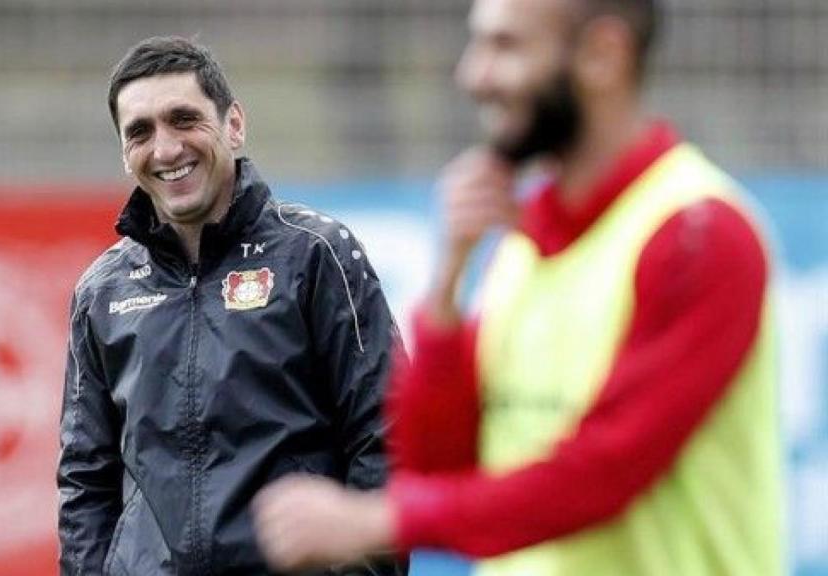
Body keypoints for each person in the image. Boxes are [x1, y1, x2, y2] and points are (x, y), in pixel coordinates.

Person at [253, 0, 784, 574]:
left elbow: (603, 473)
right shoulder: (520, 240)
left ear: (604, 54)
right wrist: (448, 284)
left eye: (505, 46)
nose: (472, 75)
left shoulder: (700, 232)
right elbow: (440, 467)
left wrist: (380, 519)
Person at [57, 36, 405, 576]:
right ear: (125, 154)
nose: (166, 149)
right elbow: (85, 479)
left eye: (184, 119)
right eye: (140, 132)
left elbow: (386, 434)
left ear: (234, 124)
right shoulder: (102, 291)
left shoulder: (316, 255)